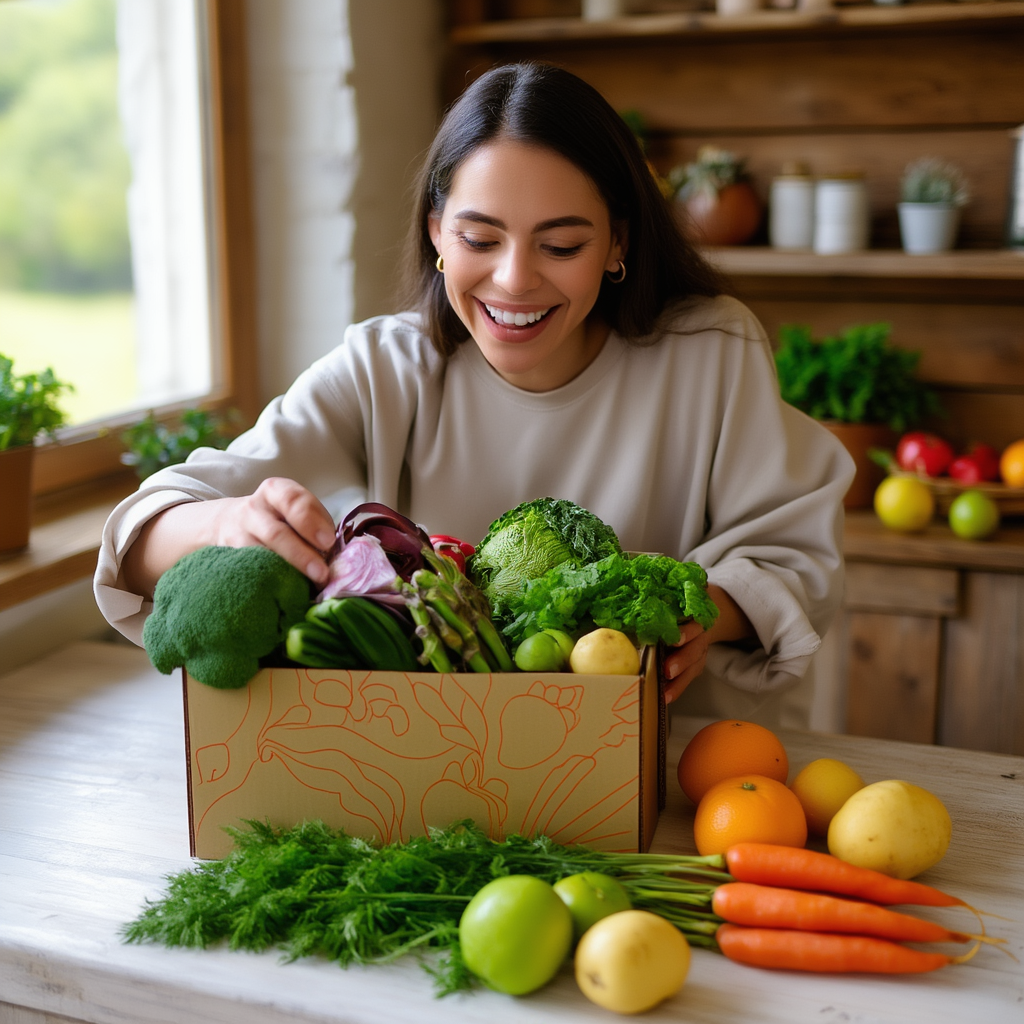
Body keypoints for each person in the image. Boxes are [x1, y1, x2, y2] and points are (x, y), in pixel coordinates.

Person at [94, 62, 854, 723]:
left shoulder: (710, 353)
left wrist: (705, 618)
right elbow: (135, 542)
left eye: (561, 245)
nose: (515, 279)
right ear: (434, 231)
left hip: (657, 769)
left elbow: (793, 554)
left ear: (619, 242)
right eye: (480, 239)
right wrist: (228, 520)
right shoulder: (384, 368)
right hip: (428, 772)